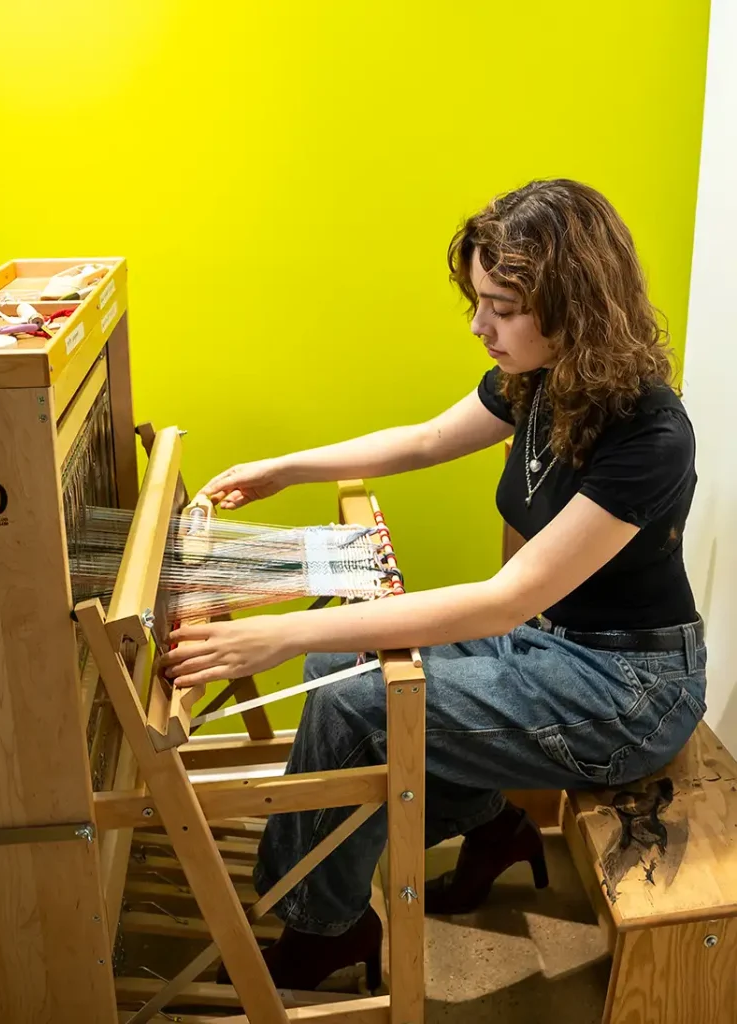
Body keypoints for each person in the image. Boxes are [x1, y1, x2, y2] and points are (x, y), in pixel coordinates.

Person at [160, 179, 707, 992]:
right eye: (478, 302)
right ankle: (490, 829)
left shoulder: (652, 433)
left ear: (577, 304)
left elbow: (505, 597)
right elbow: (421, 442)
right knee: (333, 671)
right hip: (552, 644)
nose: (481, 327)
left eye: (502, 306)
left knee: (353, 698)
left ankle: (321, 929)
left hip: (629, 689)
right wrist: (286, 468)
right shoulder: (539, 380)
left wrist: (274, 633)